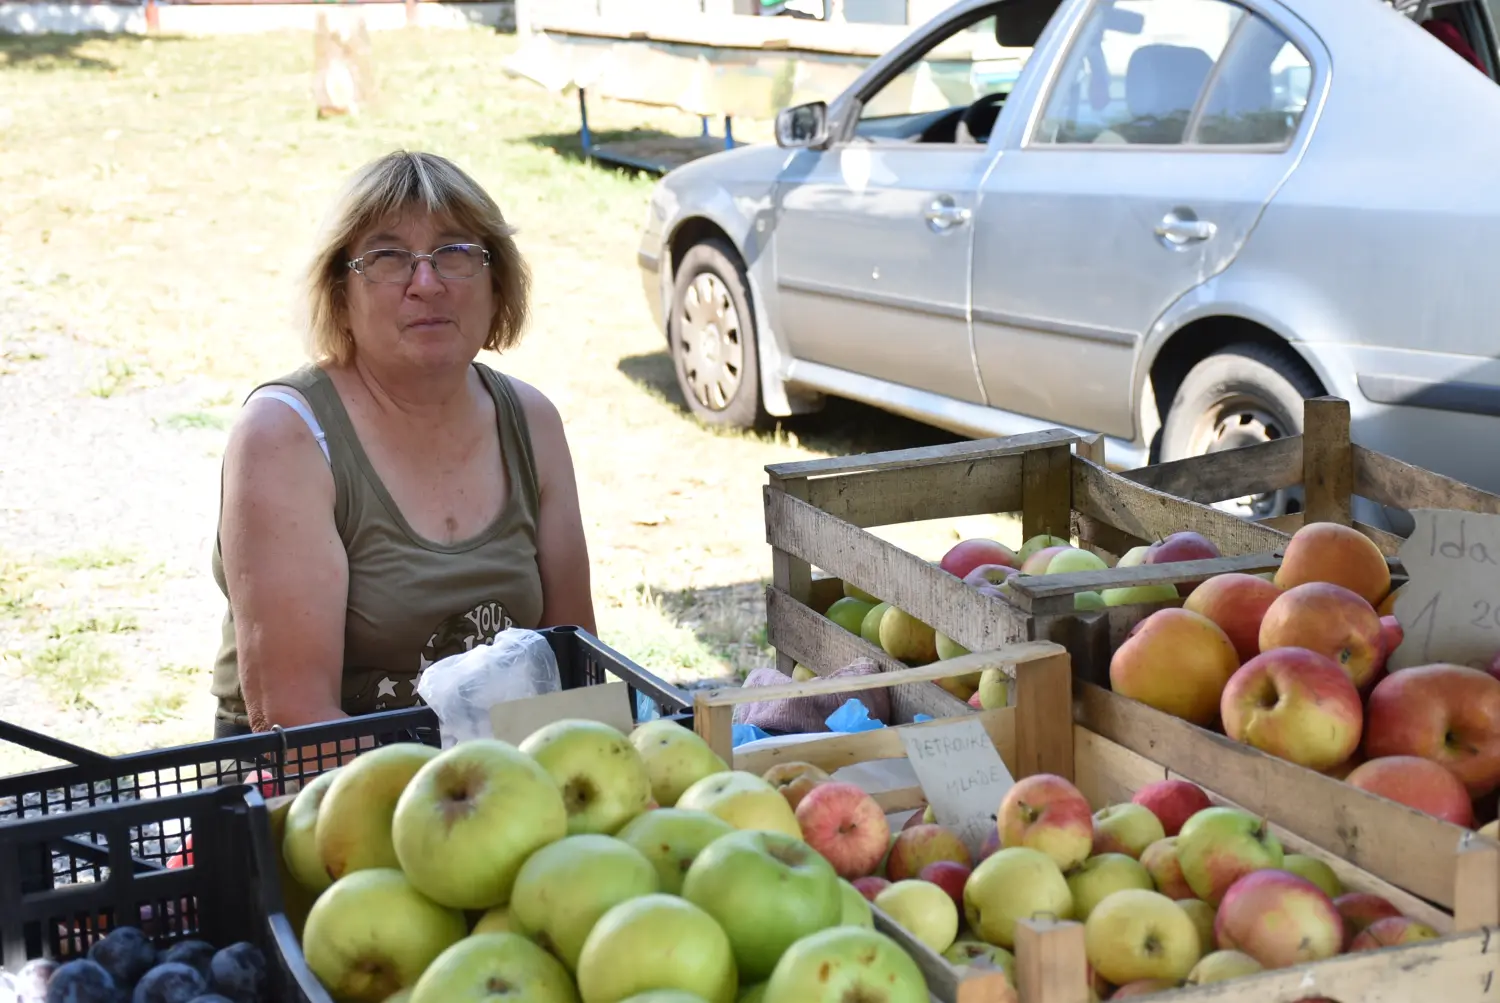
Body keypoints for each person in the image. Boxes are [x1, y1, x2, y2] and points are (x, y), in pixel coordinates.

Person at [209, 150, 596, 739]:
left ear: (498, 283)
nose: (427, 283)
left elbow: (576, 671)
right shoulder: (286, 436)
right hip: (319, 798)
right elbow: (291, 721)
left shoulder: (532, 421)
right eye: (387, 258)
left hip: (497, 786)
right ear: (339, 293)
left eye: (456, 252)